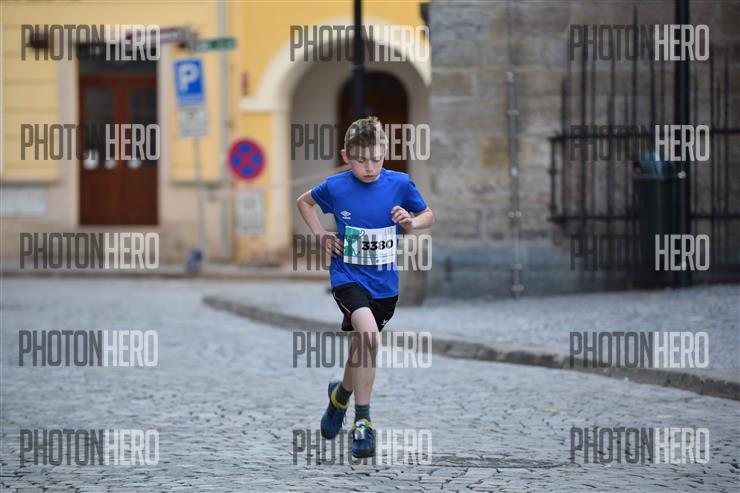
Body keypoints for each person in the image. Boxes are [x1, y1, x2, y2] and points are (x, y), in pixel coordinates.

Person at [296, 116, 434, 459]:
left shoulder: (400, 183)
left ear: (385, 152)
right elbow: (304, 202)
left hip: (385, 286)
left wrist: (412, 221)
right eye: (360, 160)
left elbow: (428, 215)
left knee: (362, 344)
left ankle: (339, 396)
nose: (369, 167)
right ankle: (363, 422)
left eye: (375, 158)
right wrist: (321, 234)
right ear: (346, 156)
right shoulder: (336, 186)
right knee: (369, 337)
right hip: (348, 278)